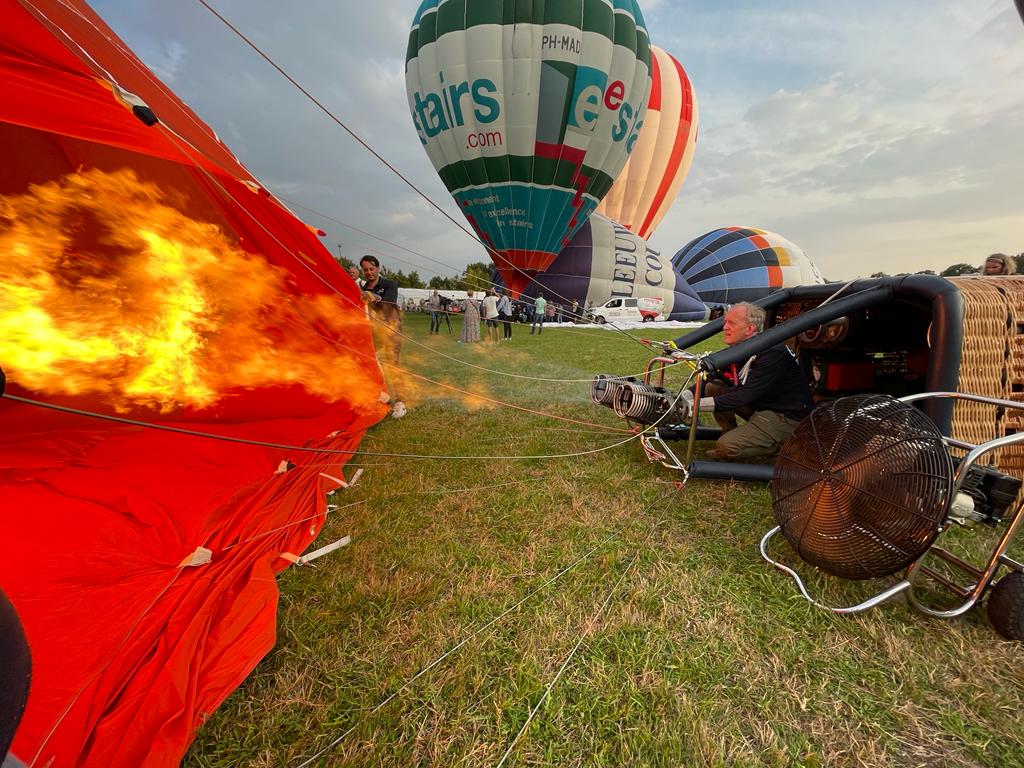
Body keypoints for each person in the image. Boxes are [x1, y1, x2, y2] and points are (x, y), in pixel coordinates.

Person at [676, 302, 814, 461]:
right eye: (725, 322)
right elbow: (709, 382)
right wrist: (681, 399)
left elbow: (744, 396)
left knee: (727, 447)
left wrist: (693, 406)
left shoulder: (772, 353)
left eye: (732, 323)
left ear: (750, 329)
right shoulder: (740, 348)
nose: (725, 327)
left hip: (786, 417)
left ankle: (784, 445)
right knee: (714, 388)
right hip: (762, 407)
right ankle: (731, 433)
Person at [359, 255, 406, 418]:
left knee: (393, 363)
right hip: (376, 331)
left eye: (371, 269)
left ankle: (400, 402)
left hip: (392, 330)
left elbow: (389, 303)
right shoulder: (364, 287)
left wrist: (376, 298)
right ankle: (380, 395)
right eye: (365, 270)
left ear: (378, 268)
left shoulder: (389, 284)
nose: (369, 272)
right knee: (368, 360)